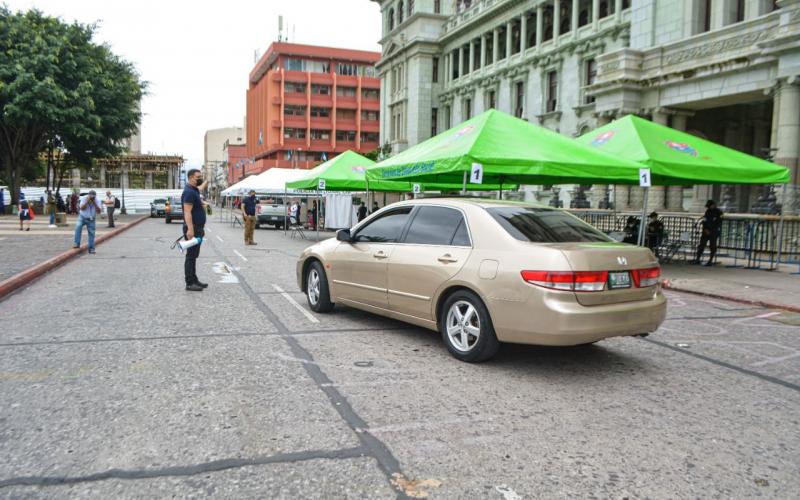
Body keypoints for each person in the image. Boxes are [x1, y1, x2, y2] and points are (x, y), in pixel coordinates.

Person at [182, 169, 209, 291]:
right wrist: (190, 229)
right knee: (191, 256)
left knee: (194, 255)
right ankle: (189, 283)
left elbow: (200, 188)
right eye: (199, 177)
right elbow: (187, 211)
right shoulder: (188, 192)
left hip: (198, 228)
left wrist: (206, 181)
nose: (200, 178)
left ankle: (194, 279)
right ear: (191, 177)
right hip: (193, 228)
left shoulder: (194, 190)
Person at [694, 199, 723, 266]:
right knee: (701, 245)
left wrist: (711, 230)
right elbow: (705, 220)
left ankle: (710, 261)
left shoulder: (719, 212)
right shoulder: (708, 211)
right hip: (706, 231)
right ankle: (697, 259)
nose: (708, 207)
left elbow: (719, 222)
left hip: (714, 231)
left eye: (709, 206)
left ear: (713, 205)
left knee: (712, 246)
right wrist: (706, 229)